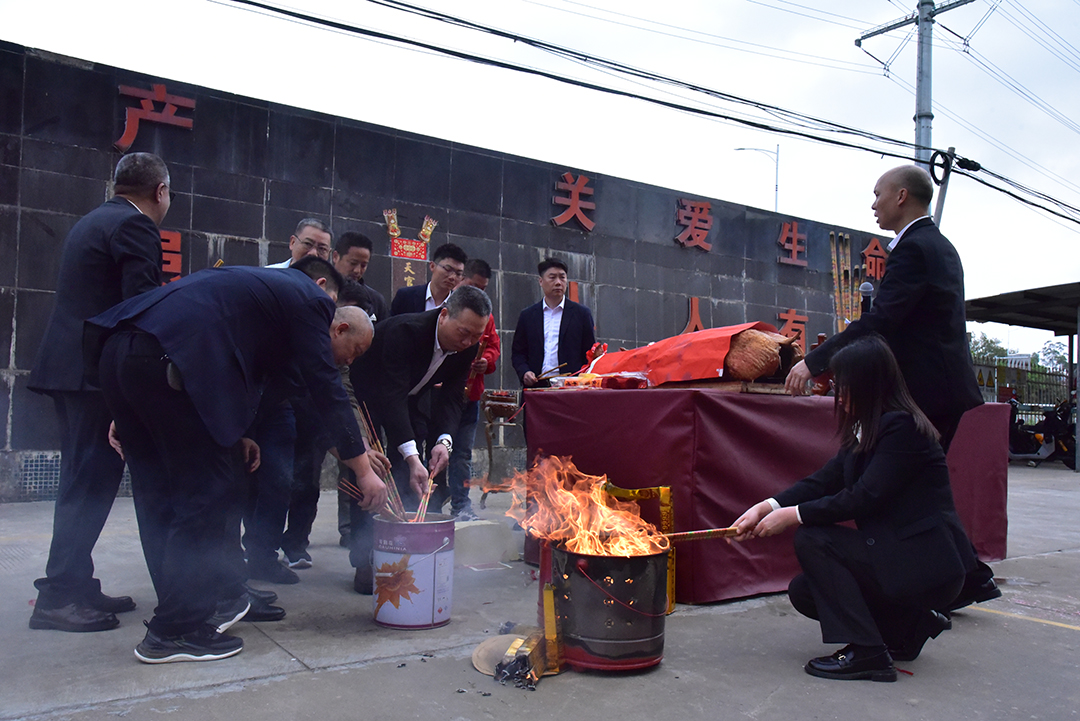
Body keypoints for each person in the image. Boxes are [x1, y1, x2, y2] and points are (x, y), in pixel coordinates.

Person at [88, 259, 387, 663]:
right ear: (340, 328)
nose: (349, 363)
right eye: (354, 352)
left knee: (158, 496)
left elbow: (286, 390)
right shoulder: (314, 303)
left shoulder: (263, 300)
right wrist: (363, 471)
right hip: (172, 364)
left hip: (126, 355)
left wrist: (132, 404)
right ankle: (176, 629)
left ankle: (202, 604)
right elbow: (325, 388)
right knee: (206, 496)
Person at [784, 164, 996, 611]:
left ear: (902, 197)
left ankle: (930, 582)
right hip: (943, 387)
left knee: (899, 489)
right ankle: (969, 579)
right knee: (923, 489)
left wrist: (816, 362)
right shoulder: (938, 244)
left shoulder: (915, 248)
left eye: (878, 194)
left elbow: (882, 321)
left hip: (927, 390)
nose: (873, 204)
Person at [732, 335, 976, 682]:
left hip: (927, 565)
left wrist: (793, 516)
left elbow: (864, 496)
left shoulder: (903, 428)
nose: (838, 394)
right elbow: (824, 481)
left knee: (814, 539)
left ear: (869, 385)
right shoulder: (869, 427)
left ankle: (868, 653)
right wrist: (766, 506)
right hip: (900, 558)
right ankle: (908, 626)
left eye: (844, 386)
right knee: (804, 591)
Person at [26, 152, 171, 633]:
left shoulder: (94, 220)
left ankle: (77, 583)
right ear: (160, 192)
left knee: (80, 481)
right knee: (89, 485)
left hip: (70, 369)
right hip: (93, 376)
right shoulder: (136, 226)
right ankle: (58, 596)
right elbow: (140, 307)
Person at [348, 285, 491, 593]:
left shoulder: (467, 347)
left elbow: (452, 397)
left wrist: (444, 442)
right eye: (463, 332)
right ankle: (363, 559)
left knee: (404, 474)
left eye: (476, 336)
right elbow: (391, 395)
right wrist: (414, 457)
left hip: (409, 400)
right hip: (366, 396)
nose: (467, 342)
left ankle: (400, 553)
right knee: (369, 472)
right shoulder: (406, 332)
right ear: (444, 315)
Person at [437, 259, 500, 520]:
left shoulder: (486, 316)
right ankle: (429, 504)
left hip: (469, 394)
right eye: (474, 286)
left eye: (483, 289)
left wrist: (488, 360)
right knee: (434, 449)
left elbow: (494, 347)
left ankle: (461, 505)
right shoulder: (445, 309)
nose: (478, 293)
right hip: (438, 394)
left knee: (462, 453)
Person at [511, 257, 595, 388]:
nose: (558, 283)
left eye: (562, 277)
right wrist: (524, 372)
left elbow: (590, 353)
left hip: (570, 388)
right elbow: (518, 353)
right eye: (552, 277)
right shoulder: (528, 315)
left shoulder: (581, 314)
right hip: (537, 386)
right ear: (541, 281)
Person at [390, 242, 467, 314]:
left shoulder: (461, 306)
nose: (452, 277)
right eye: (448, 269)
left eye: (458, 274)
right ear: (432, 266)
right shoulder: (406, 297)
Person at [332, 231, 390, 322]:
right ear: (335, 257)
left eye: (363, 265)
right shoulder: (320, 289)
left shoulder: (376, 300)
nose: (357, 271)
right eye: (353, 263)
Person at [266, 218, 332, 267]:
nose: (313, 253)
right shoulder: (268, 275)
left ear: (329, 254)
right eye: (308, 244)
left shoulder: (332, 281)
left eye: (322, 249)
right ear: (292, 242)